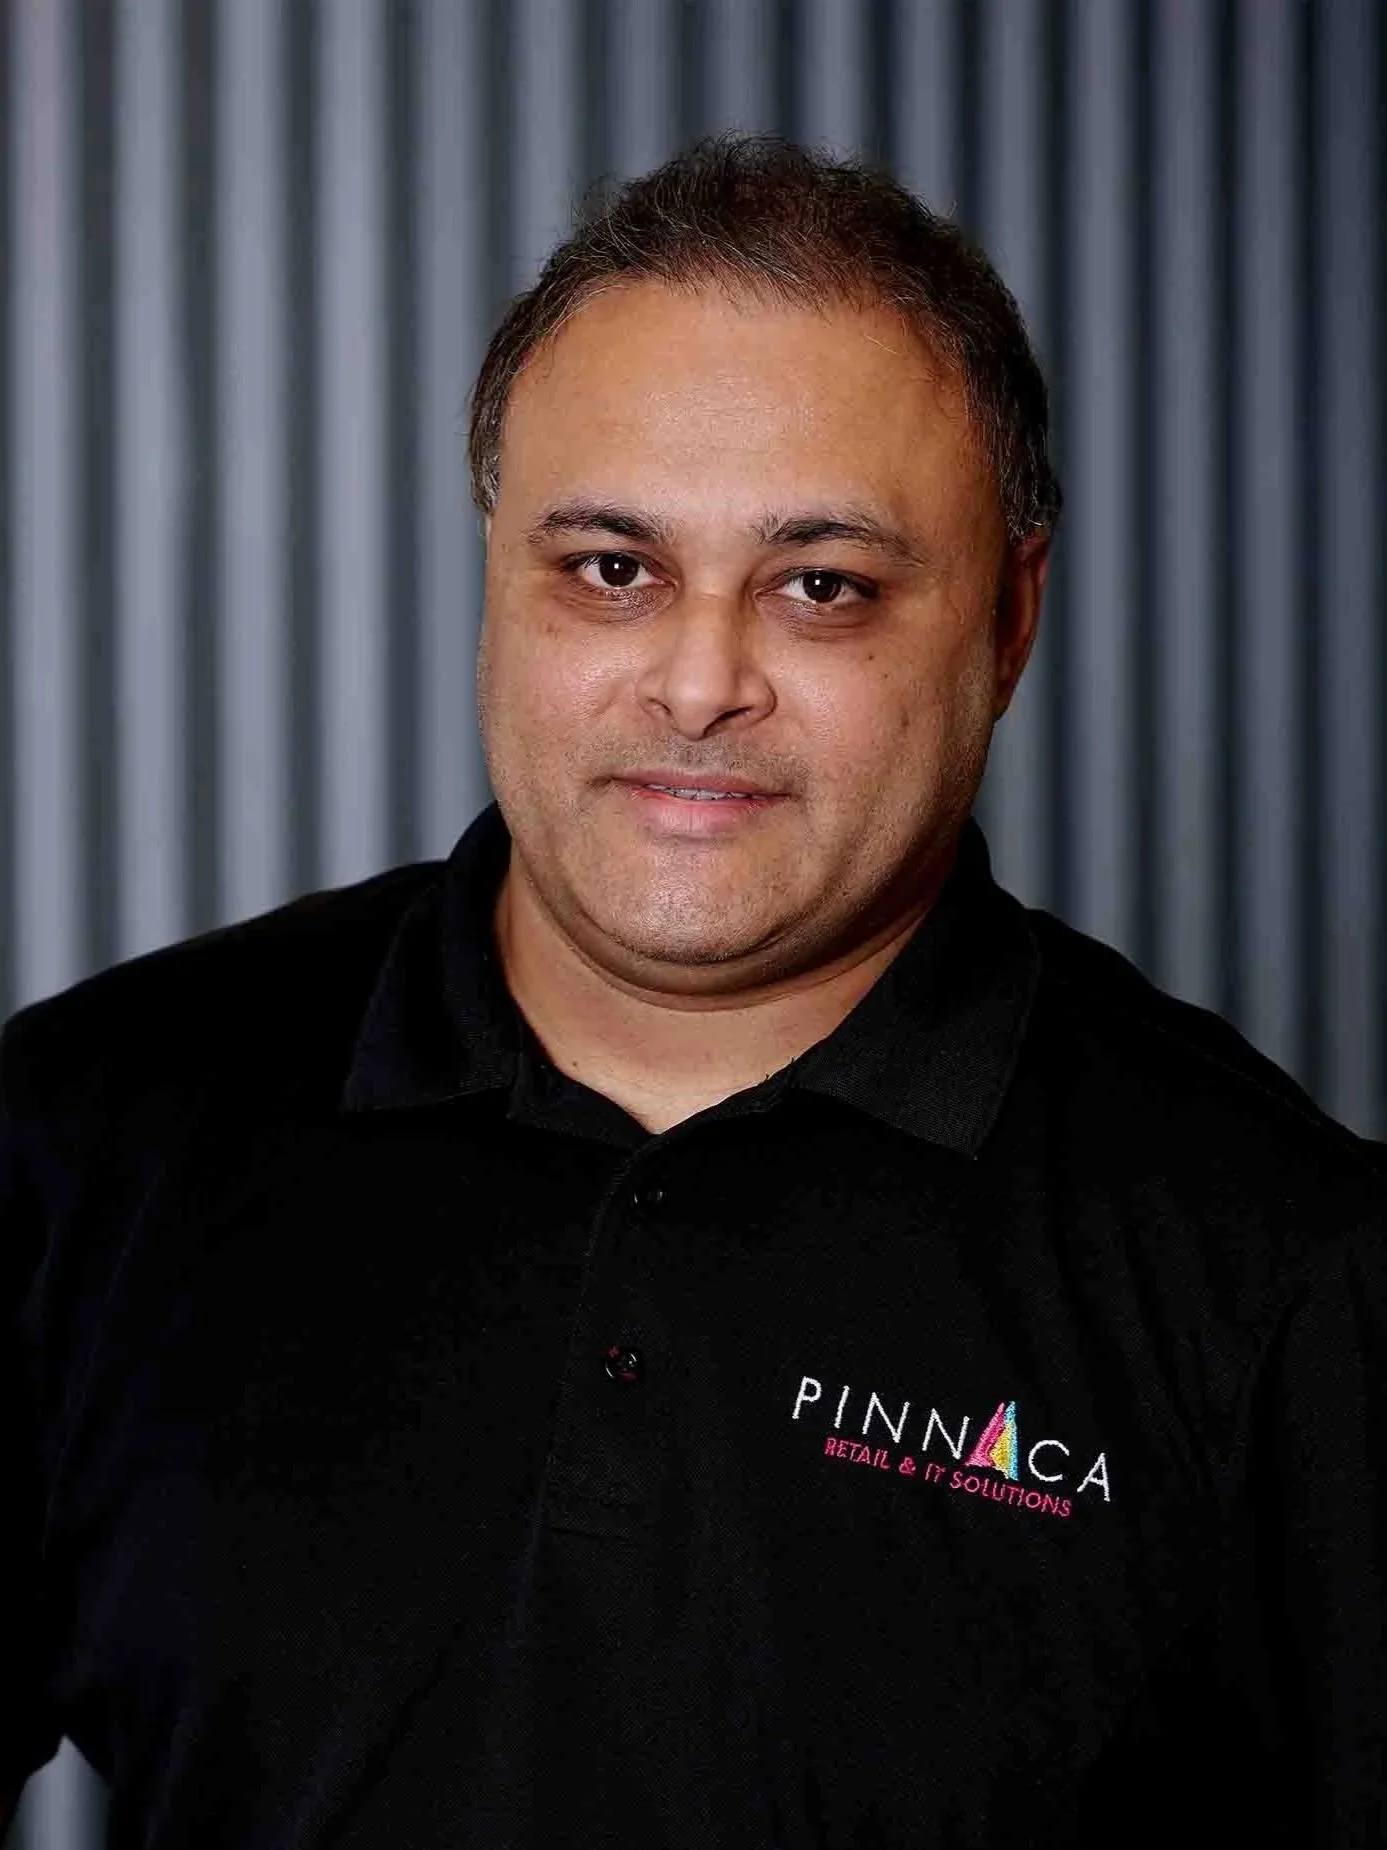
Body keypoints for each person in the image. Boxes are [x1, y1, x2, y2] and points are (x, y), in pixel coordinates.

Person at [1, 135, 1384, 1850]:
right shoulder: (92, 1133)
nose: (698, 681)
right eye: (611, 568)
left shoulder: (1286, 1271)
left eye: (822, 587)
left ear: (1008, 622)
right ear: (496, 579)